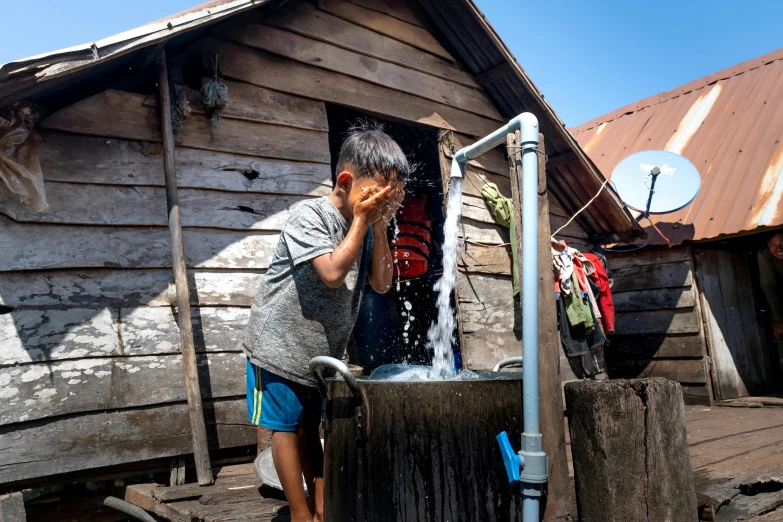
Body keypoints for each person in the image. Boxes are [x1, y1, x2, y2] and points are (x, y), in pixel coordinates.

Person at [242, 126, 407, 522]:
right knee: (283, 430)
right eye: (378, 194)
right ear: (346, 182)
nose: (383, 204)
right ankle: (301, 515)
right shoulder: (310, 216)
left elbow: (382, 284)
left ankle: (322, 510)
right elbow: (332, 273)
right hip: (277, 347)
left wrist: (379, 226)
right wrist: (363, 223)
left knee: (313, 432)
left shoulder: (367, 228)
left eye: (391, 198)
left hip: (319, 356)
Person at [758, 231, 783, 367]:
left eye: (782, 243)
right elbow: (769, 287)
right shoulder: (765, 254)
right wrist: (779, 319)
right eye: (772, 245)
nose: (778, 249)